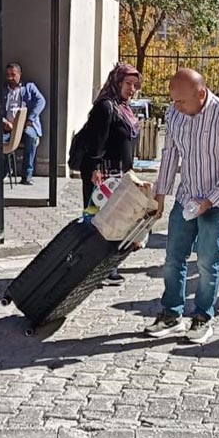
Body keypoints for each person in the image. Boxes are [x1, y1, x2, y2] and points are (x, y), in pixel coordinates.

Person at [145, 69, 219, 344]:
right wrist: (160, 195)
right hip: (187, 195)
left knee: (207, 261)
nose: (175, 106)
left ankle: (202, 317)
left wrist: (208, 202)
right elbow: (169, 155)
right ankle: (171, 314)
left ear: (201, 94)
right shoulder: (175, 115)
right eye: (173, 100)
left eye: (181, 101)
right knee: (173, 258)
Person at [80, 63, 142, 286]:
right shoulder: (106, 107)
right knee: (102, 221)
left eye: (135, 85)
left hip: (119, 174)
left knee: (116, 221)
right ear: (117, 82)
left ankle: (107, 267)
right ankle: (98, 269)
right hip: (104, 174)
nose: (132, 89)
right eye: (128, 84)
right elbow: (95, 143)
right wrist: (95, 170)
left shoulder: (122, 107)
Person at [3, 62, 45, 185]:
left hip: (26, 125)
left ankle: (27, 175)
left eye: (13, 74)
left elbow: (41, 101)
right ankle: (5, 170)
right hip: (9, 126)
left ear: (20, 74)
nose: (10, 77)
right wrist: (4, 121)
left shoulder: (29, 87)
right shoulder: (3, 91)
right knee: (0, 140)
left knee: (31, 137)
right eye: (8, 75)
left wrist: (30, 119)